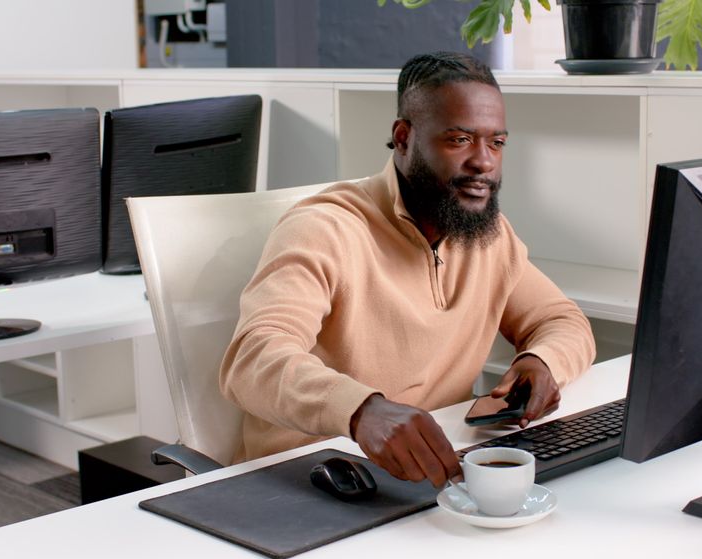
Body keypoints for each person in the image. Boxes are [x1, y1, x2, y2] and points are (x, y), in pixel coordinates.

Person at [220, 51, 595, 487]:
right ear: (403, 138)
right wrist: (360, 410)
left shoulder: (488, 235)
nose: (484, 161)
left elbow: (562, 320)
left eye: (496, 143)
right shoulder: (325, 228)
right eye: (460, 140)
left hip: (427, 472)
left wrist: (542, 362)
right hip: (308, 478)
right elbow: (253, 358)